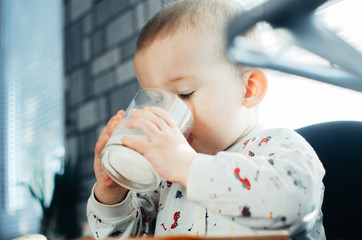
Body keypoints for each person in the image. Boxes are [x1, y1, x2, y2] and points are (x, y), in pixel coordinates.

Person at [87, 0, 325, 239]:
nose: (166, 115)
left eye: (185, 93)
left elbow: (296, 204)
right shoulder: (165, 181)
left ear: (249, 89)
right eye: (157, 100)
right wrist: (112, 193)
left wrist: (187, 165)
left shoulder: (279, 146)